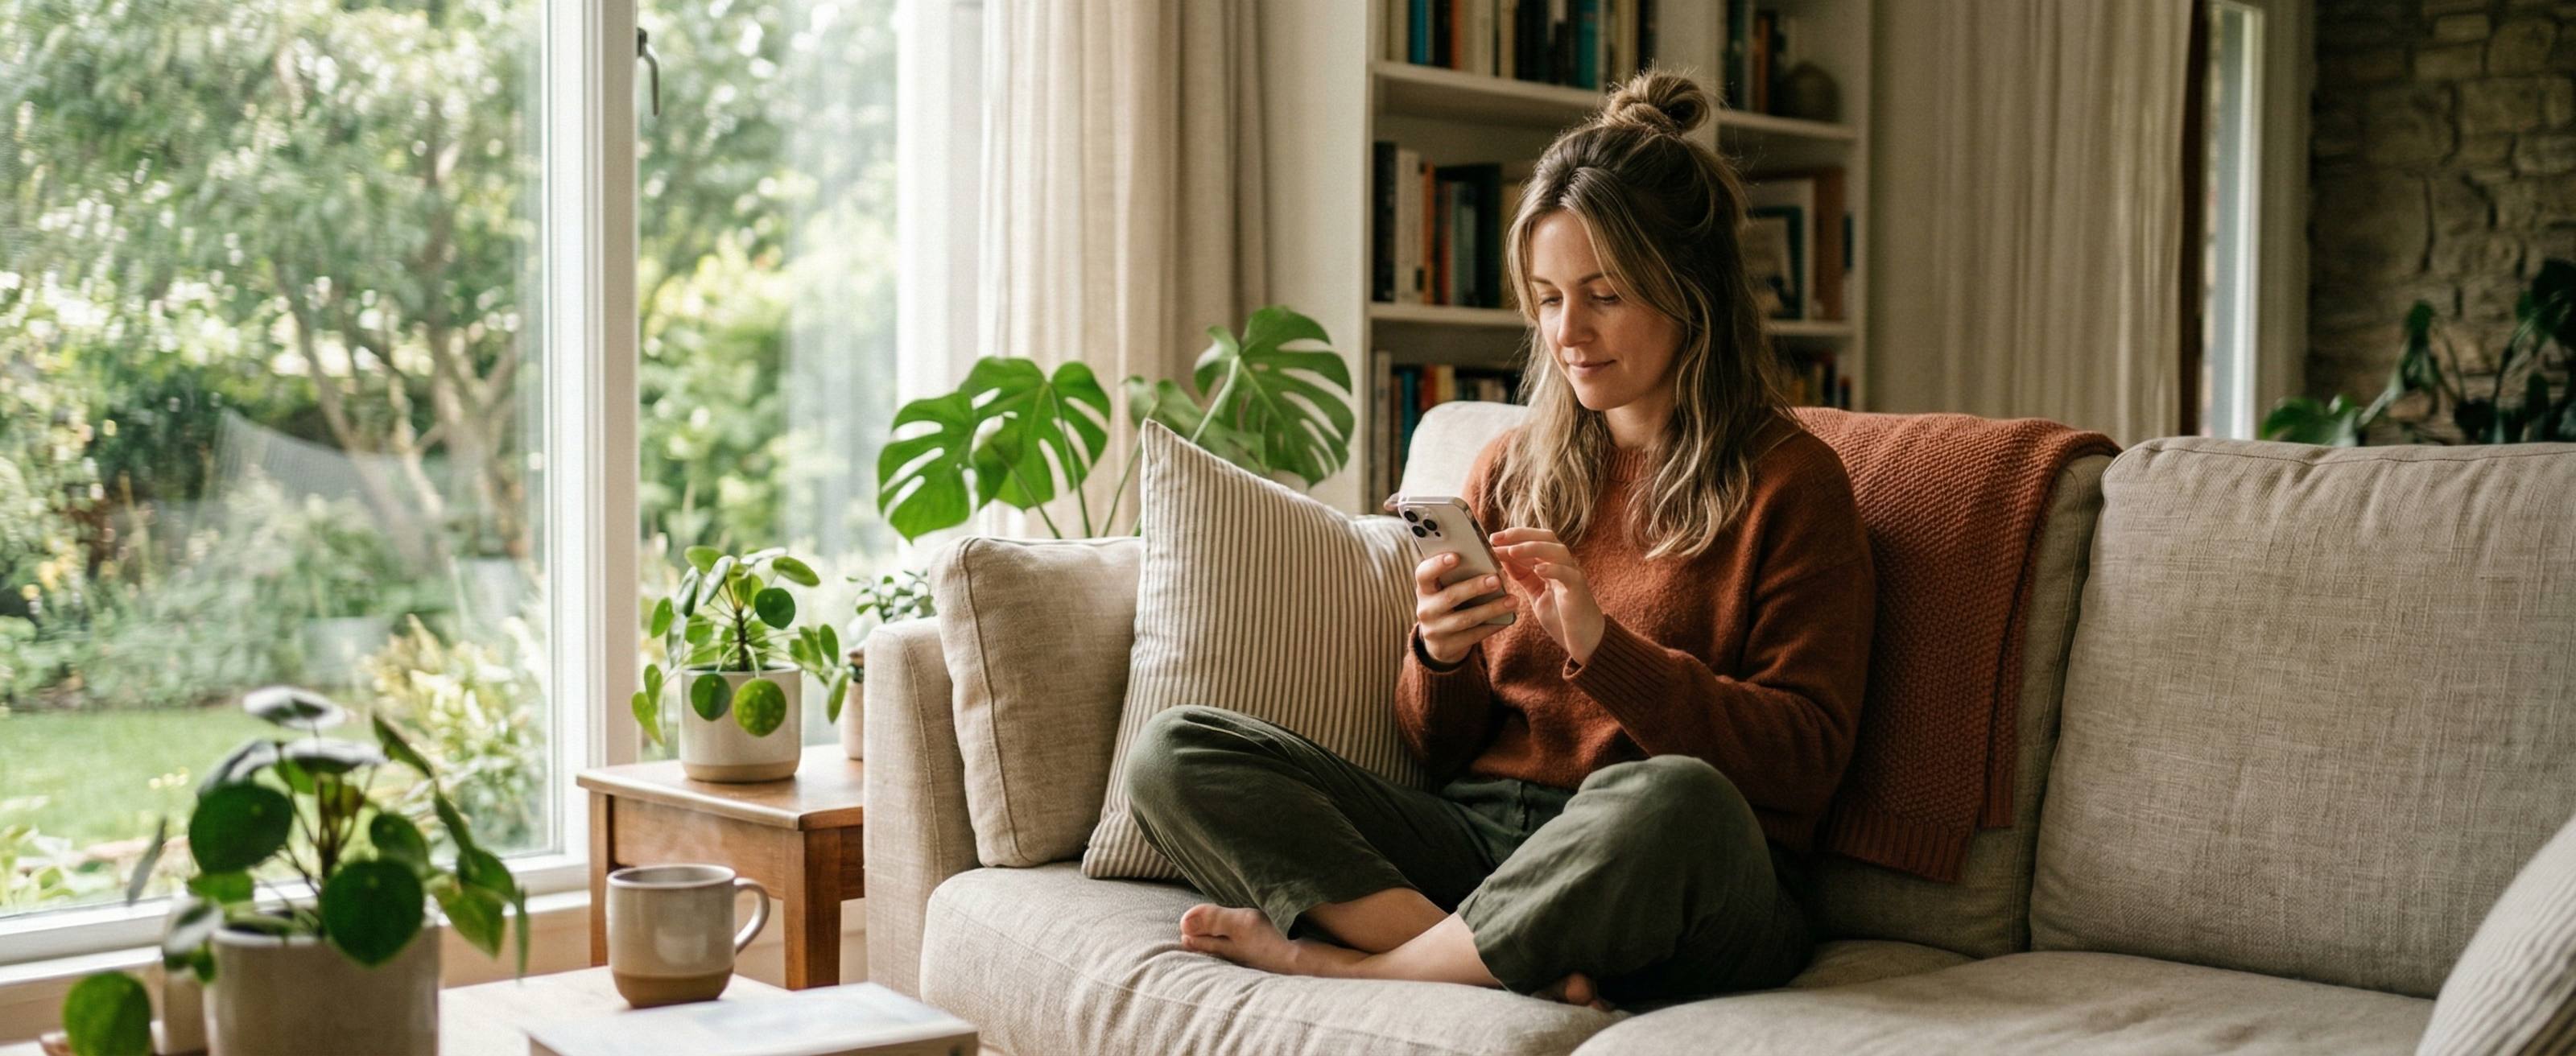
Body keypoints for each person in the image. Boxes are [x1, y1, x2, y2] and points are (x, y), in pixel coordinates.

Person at [1122, 69, 1875, 1009]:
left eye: (1602, 294)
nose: (1570, 331)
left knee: (1675, 798)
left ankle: (1360, 965)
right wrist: (1437, 654)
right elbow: (1439, 751)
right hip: (1479, 839)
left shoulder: (1791, 485)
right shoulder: (1514, 467)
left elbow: (1801, 762)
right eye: (1549, 298)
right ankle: (1478, 954)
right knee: (1174, 751)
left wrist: (1602, 650)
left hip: (1667, 864)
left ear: (1692, 290)